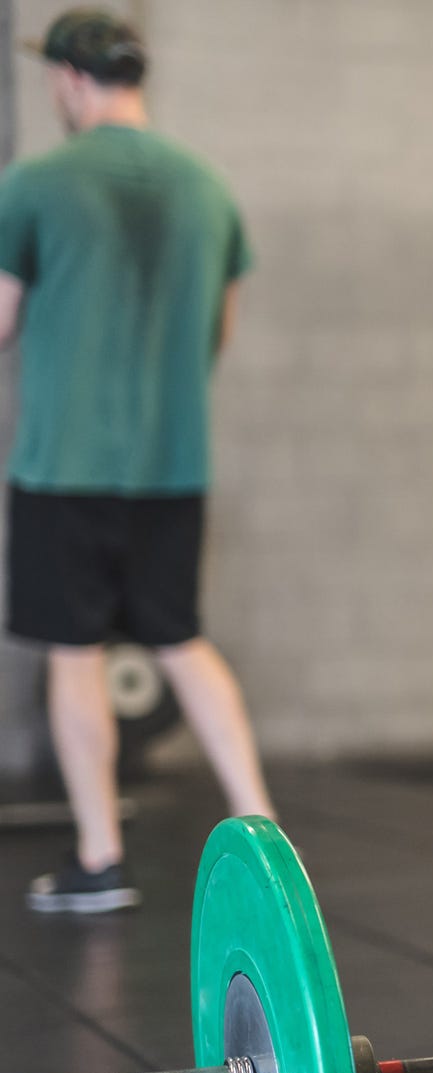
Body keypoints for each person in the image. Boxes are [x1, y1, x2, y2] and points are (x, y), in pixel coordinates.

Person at [0, 9, 273, 912]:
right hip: (171, 466)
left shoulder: (33, 183)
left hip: (64, 466)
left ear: (72, 80)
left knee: (75, 654)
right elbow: (217, 334)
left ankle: (100, 858)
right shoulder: (209, 187)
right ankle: (266, 833)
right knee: (182, 643)